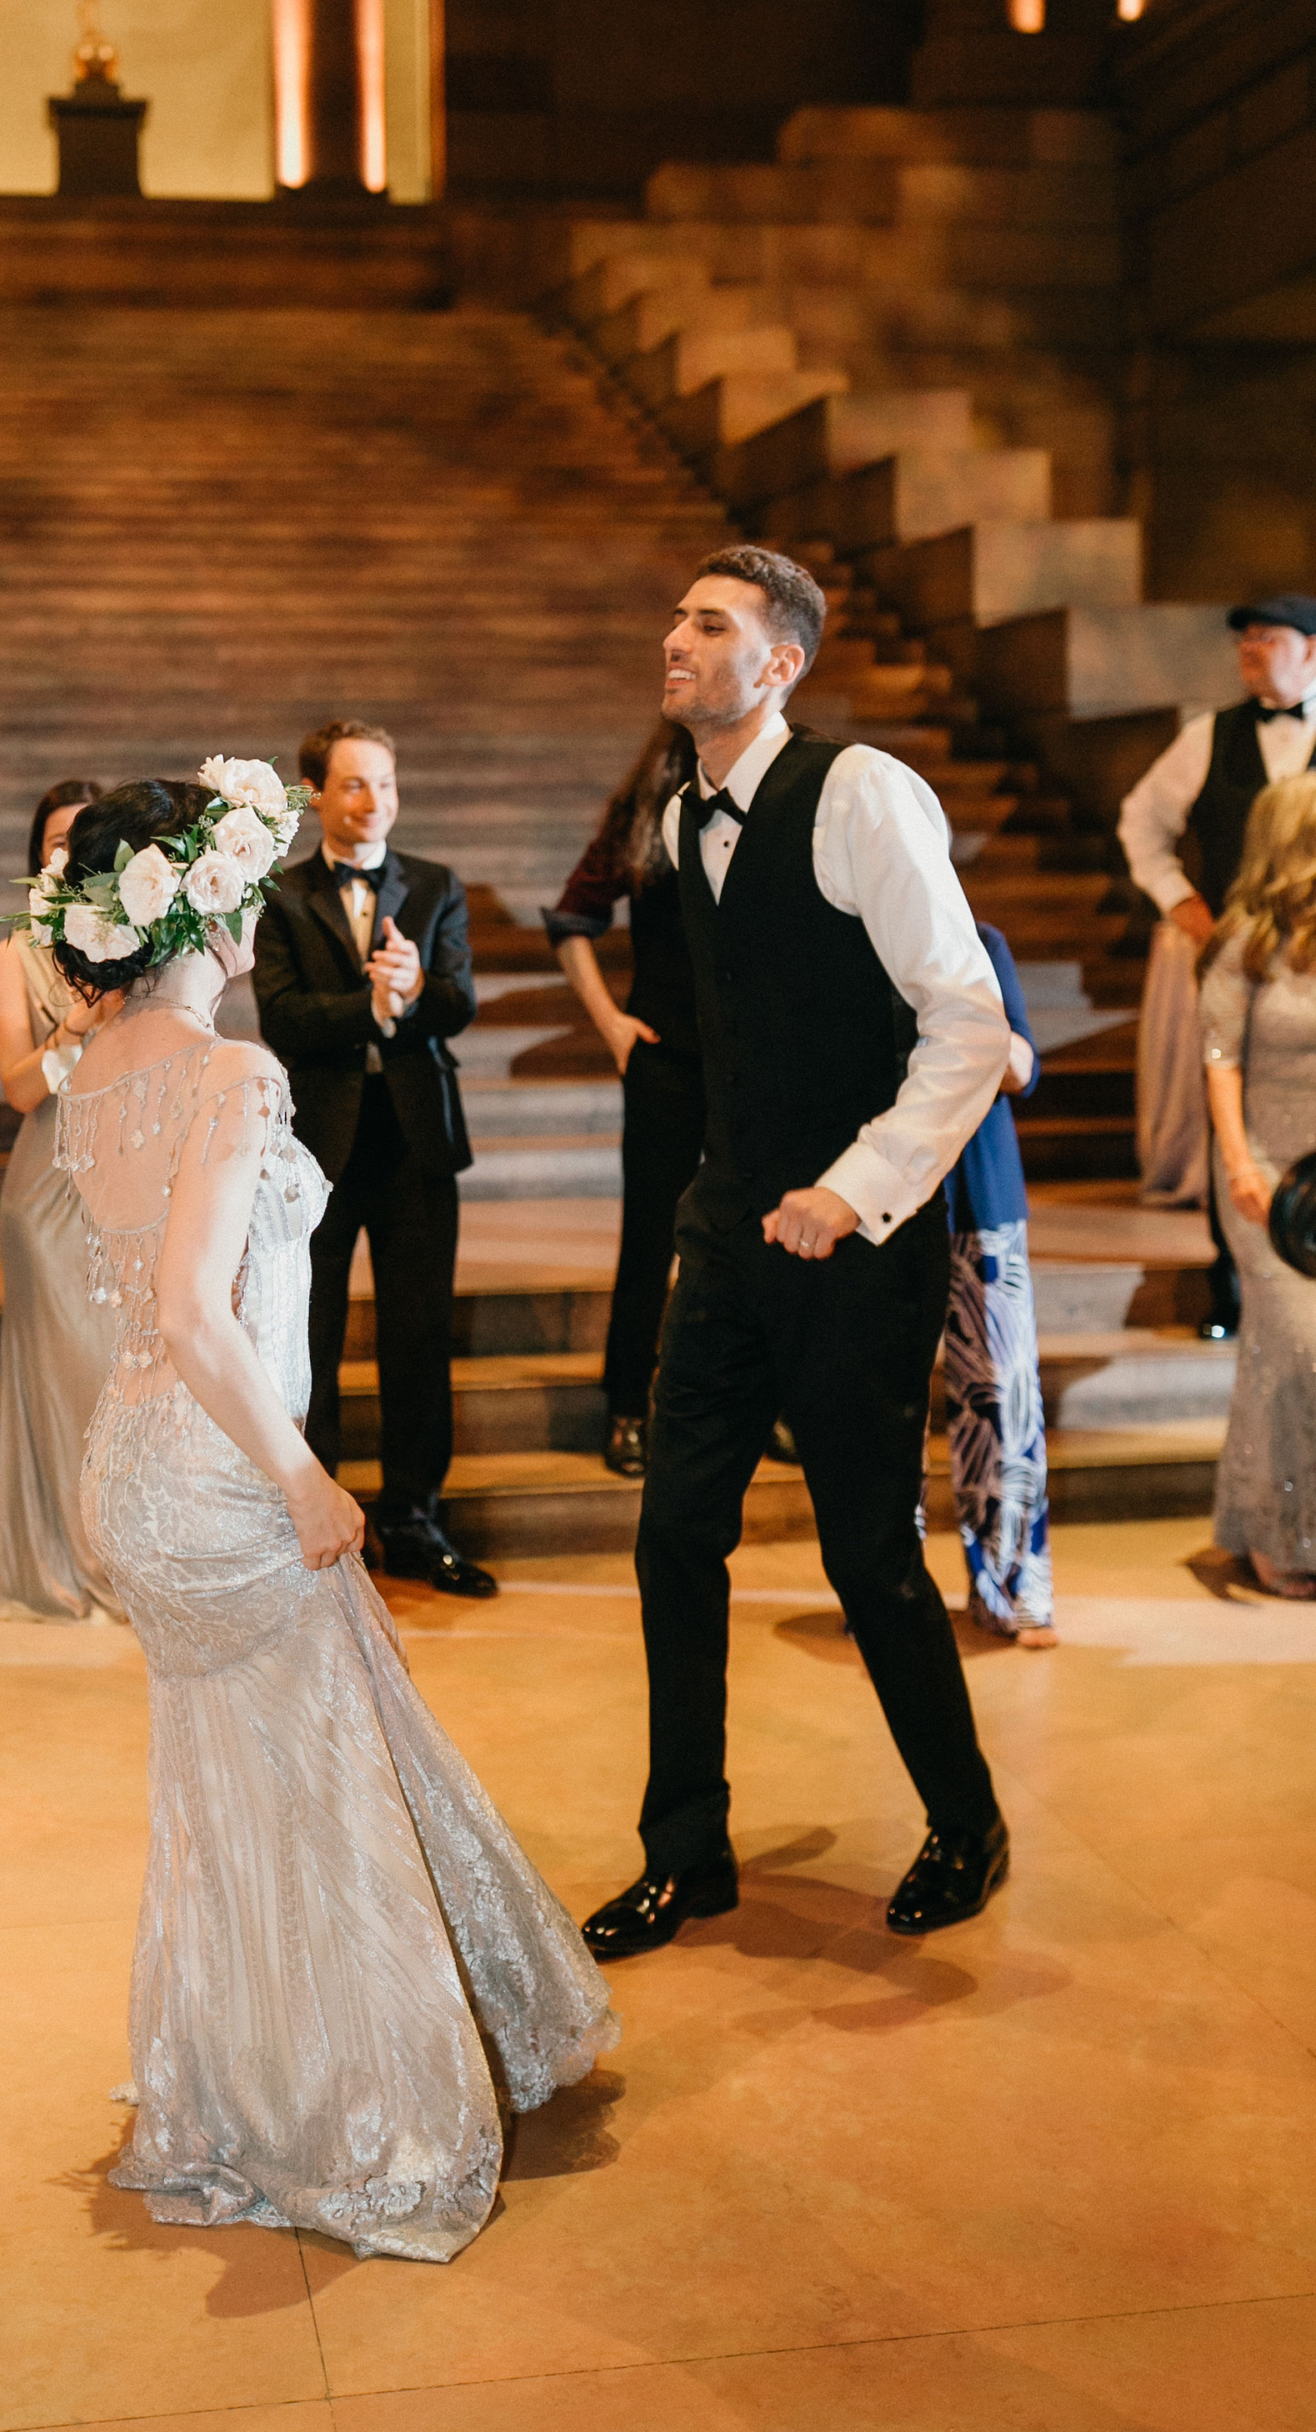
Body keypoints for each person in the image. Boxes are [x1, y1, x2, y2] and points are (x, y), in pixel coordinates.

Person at [27, 770, 615, 2261]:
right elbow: (193, 1312)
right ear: (207, 910)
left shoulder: (82, 1068)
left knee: (235, 1796)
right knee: (318, 1790)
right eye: (244, 890)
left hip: (137, 1463)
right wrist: (300, 1476)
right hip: (224, 1461)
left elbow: (144, 1317)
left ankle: (238, 2081)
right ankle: (350, 2112)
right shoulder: (228, 1075)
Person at [582, 546, 1013, 1960]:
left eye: (706, 624)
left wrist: (849, 1188)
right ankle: (682, 1851)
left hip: (855, 1245)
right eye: (673, 617)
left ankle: (964, 1823)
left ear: (779, 663)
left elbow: (964, 1024)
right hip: (724, 1232)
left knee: (865, 1557)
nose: (673, 638)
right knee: (671, 1538)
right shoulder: (679, 803)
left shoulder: (860, 795)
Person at [253, 719, 495, 1599]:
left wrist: (419, 989)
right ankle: (314, 1516)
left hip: (415, 1139)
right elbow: (283, 1019)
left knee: (419, 1336)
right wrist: (376, 1005)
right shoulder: (280, 897)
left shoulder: (434, 886)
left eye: (386, 783)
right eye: (355, 784)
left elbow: (461, 1001)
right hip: (316, 1147)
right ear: (316, 793)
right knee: (306, 1337)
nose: (375, 801)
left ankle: (414, 1518)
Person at [1119, 594, 1316, 1336]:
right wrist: (1181, 904)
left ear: (1310, 650)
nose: (1249, 650)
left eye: (1267, 639)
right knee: (1228, 1089)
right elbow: (1140, 822)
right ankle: (1228, 1285)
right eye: (1243, 640)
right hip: (1242, 956)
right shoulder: (1211, 735)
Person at [544, 718, 705, 1477]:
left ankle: (761, 1401)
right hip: (664, 1057)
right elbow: (572, 918)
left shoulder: (774, 799)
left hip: (754, 1062)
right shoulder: (645, 807)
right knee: (650, 1239)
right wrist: (609, 1022)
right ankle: (626, 1408)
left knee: (755, 1237)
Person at [0, 777, 125, 1623]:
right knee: (69, 1376)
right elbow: (15, 1089)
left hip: (132, 1176)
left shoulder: (148, 936)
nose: (69, 853)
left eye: (85, 837)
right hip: (49, 1186)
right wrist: (73, 1029)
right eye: (54, 841)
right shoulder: (16, 952)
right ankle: (68, 1564)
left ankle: (134, 1552)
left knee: (124, 1376)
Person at [1198, 775, 1316, 1598]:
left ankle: (1261, 1521)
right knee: (1296, 1341)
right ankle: (1280, 1535)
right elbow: (1219, 1058)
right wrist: (1239, 1162)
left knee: (1285, 1355)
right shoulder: (1243, 939)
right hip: (1264, 1174)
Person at [945, 923, 1055, 1646]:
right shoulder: (839, 938)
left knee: (1002, 1402)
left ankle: (1013, 1587)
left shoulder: (975, 939)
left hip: (980, 1192)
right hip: (872, 1195)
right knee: (874, 1409)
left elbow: (1022, 1067)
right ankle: (885, 1597)